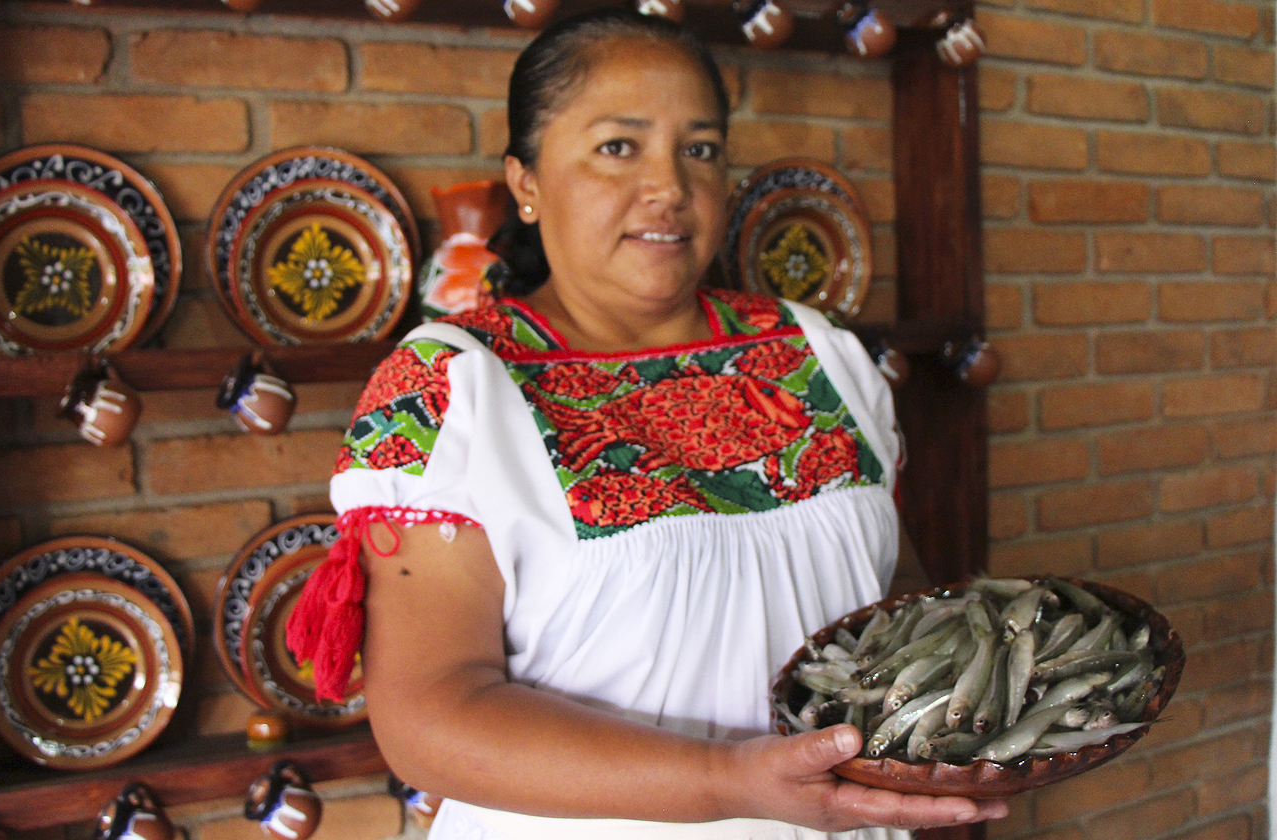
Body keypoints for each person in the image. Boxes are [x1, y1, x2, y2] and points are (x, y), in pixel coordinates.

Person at [287, 9, 1007, 839]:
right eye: (618, 147)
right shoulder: (456, 387)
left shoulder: (819, 355)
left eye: (699, 149)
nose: (669, 186)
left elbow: (895, 611)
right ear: (525, 182)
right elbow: (430, 720)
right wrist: (725, 780)